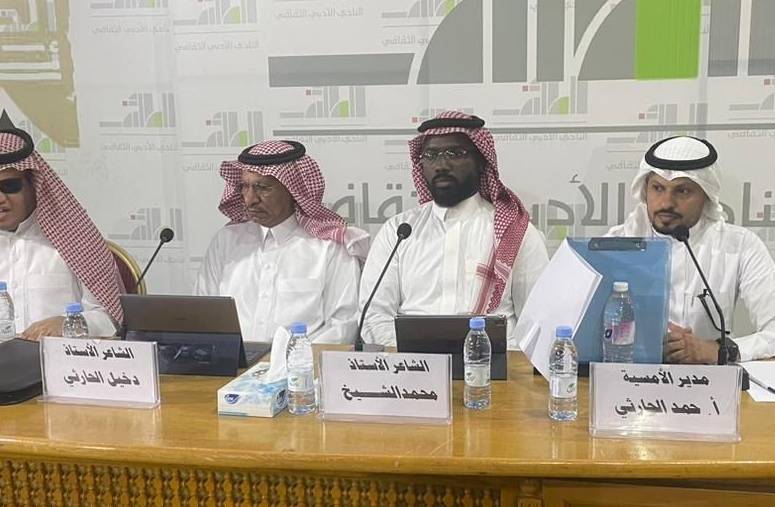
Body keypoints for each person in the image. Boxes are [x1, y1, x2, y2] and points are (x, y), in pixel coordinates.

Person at [607, 134, 775, 364]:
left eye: (682, 191)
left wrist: (718, 350)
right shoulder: (615, 244)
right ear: (645, 191)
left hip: (710, 378)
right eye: (658, 188)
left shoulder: (739, 245)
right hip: (629, 375)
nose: (666, 203)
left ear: (706, 196)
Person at [359, 111, 549, 347]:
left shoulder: (515, 232)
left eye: (455, 154)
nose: (441, 165)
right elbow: (374, 316)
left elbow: (538, 322)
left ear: (481, 162)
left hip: (493, 364)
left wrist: (490, 359)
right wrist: (413, 359)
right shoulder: (398, 231)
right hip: (411, 365)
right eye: (431, 155)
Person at [0, 114, 122, 338]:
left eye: (9, 186)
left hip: (57, 358)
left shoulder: (73, 236)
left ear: (32, 186)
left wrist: (70, 324)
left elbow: (110, 318)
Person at [196, 140, 368, 343]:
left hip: (304, 361)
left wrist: (294, 358)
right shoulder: (226, 241)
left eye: (262, 188)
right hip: (232, 361)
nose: (250, 200)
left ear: (293, 190)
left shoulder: (330, 247)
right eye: (244, 187)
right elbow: (203, 314)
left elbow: (343, 326)